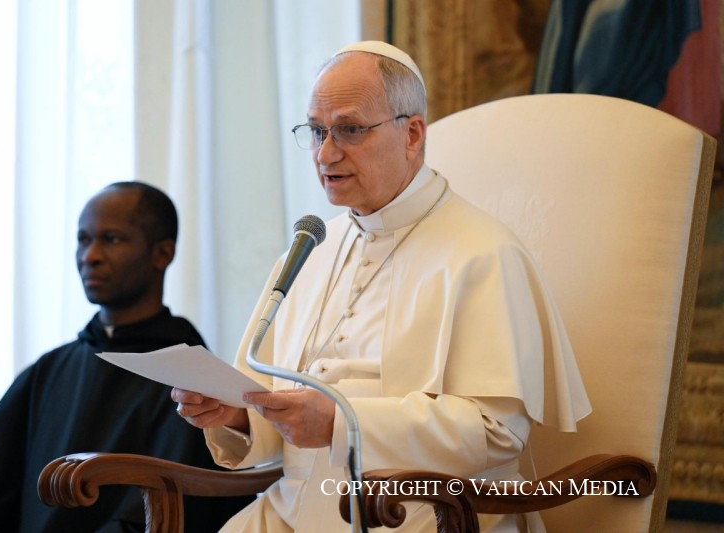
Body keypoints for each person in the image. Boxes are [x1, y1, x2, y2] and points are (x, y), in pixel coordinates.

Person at [173, 41, 592, 532]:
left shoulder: (484, 253)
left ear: (412, 134)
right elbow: (278, 416)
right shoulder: (311, 250)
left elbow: (496, 433)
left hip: (423, 516)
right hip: (289, 512)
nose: (325, 153)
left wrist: (341, 422)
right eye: (316, 130)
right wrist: (238, 416)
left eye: (350, 129)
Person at [0, 181, 253, 532]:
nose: (90, 256)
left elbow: (163, 516)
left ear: (162, 254)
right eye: (83, 239)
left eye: (111, 239)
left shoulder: (194, 381)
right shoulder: (48, 370)